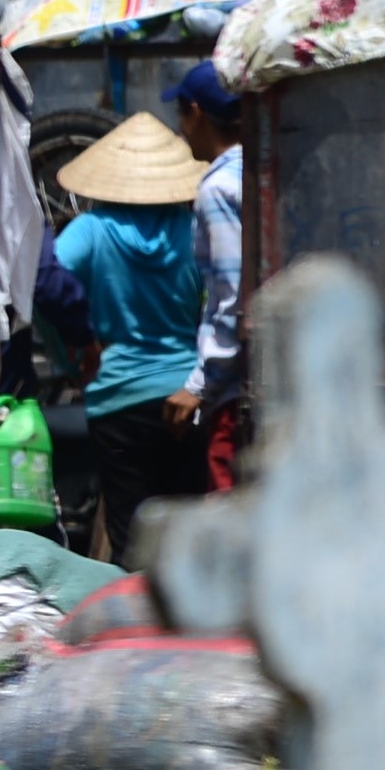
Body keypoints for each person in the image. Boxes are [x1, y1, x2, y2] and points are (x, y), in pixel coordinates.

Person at [43, 114, 216, 553]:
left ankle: (135, 620)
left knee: (130, 537)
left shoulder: (92, 230)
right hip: (186, 395)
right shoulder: (193, 228)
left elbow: (44, 283)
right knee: (189, 537)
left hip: (116, 399)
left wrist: (71, 352)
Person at [169, 59, 250, 489]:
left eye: (180, 115)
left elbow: (234, 295)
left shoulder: (218, 189)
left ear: (196, 113)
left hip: (237, 392)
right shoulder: (259, 169)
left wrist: (200, 384)